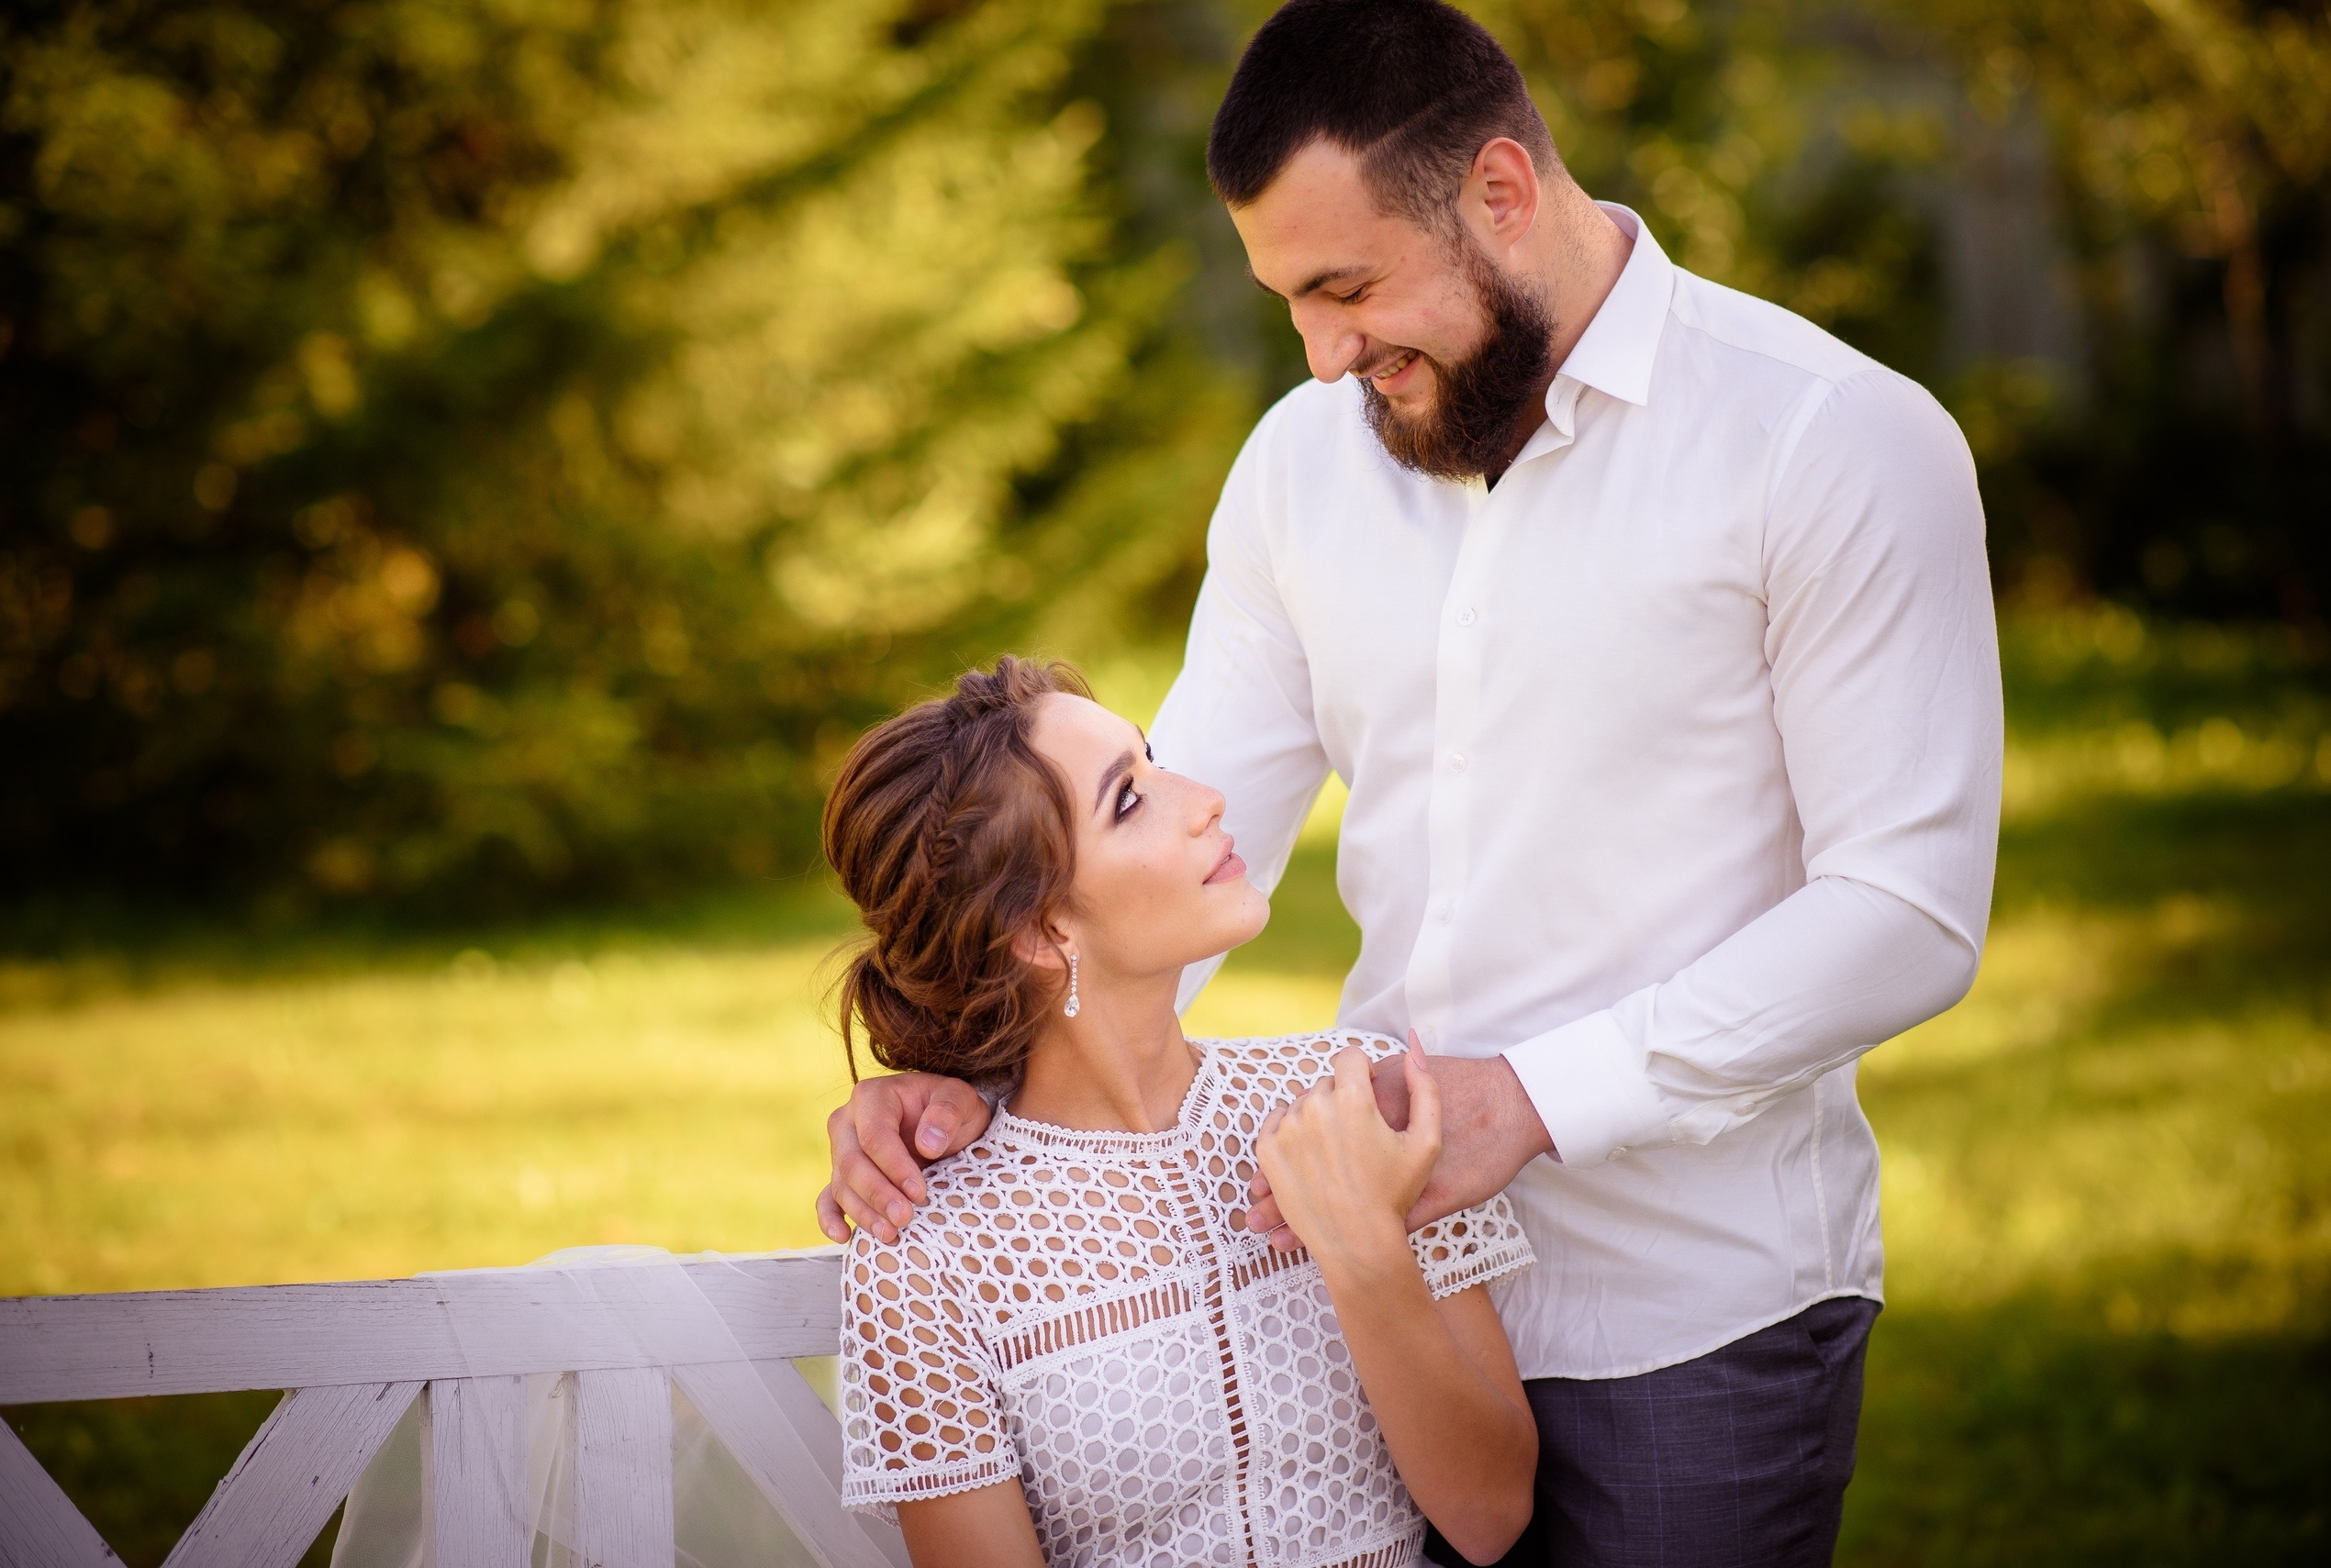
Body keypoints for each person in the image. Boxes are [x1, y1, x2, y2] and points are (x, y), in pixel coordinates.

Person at [818, 2, 2003, 1564]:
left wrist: (1527, 1100)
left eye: (1348, 286)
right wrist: (976, 1070)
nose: (1322, 353)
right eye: (1289, 300)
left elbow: (1907, 909)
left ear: (1502, 193)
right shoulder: (1303, 466)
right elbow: (1158, 833)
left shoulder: (1832, 441)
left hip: (1688, 1312)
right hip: (1361, 1301)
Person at [824, 656, 1541, 1568]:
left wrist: (1363, 1241)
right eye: (1129, 799)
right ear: (1045, 931)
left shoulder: (1349, 1098)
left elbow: (1492, 1513)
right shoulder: (925, 1250)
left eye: (1152, 757)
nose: (1203, 797)